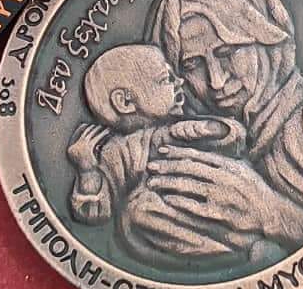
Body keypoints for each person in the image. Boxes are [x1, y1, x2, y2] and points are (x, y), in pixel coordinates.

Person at [117, 0, 303, 265]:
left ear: (263, 37)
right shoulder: (198, 139)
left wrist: (267, 210)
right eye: (192, 65)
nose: (216, 81)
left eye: (227, 53)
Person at [65, 43, 249, 230]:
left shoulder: (181, 126)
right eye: (165, 79)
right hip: (170, 221)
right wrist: (87, 169)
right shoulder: (115, 154)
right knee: (140, 210)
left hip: (217, 203)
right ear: (125, 102)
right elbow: (94, 213)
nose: (179, 81)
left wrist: (214, 130)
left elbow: (238, 140)